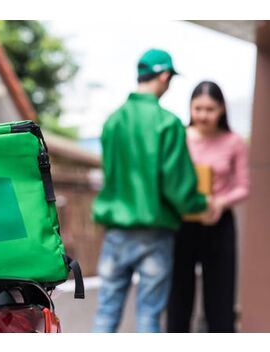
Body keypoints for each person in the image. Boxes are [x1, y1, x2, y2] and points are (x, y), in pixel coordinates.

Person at [91, 49, 214, 333]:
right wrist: (200, 205)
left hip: (116, 231)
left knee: (106, 312)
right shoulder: (167, 123)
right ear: (163, 76)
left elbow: (110, 174)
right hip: (155, 234)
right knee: (148, 316)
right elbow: (177, 186)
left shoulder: (113, 121)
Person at [167, 81, 249, 333]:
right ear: (190, 108)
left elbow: (243, 186)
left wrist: (221, 202)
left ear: (222, 109)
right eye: (198, 108)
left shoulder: (234, 141)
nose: (203, 115)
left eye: (210, 109)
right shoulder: (178, 136)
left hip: (219, 224)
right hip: (182, 224)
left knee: (220, 298)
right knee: (179, 298)